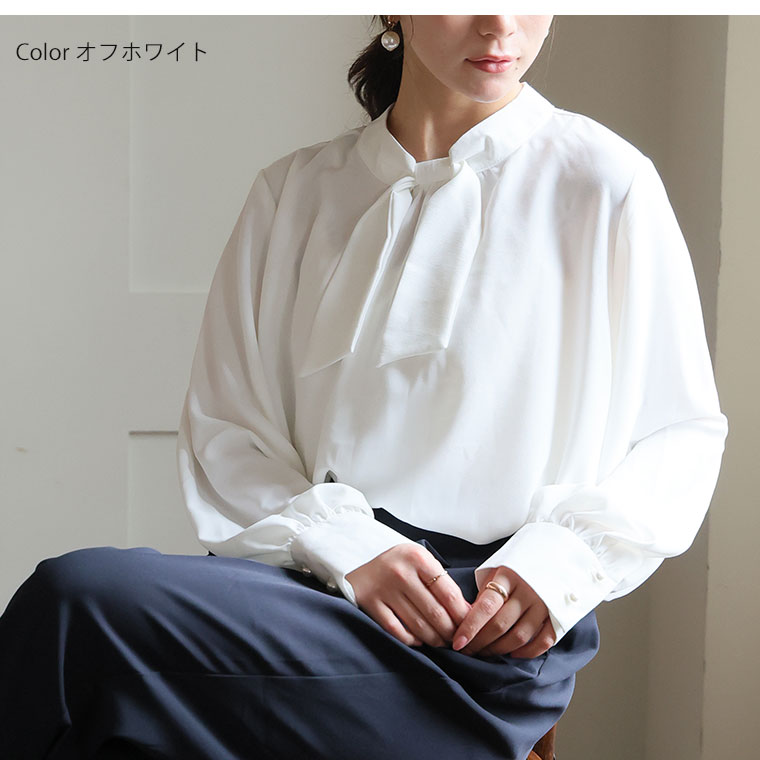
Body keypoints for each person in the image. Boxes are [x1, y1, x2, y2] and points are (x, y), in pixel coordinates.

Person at [0, 15, 728, 760]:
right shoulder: (295, 193)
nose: (500, 24)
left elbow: (679, 432)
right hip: (307, 590)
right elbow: (230, 431)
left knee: (77, 620)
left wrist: (559, 565)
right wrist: (347, 546)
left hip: (480, 642)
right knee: (85, 645)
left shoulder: (605, 181)